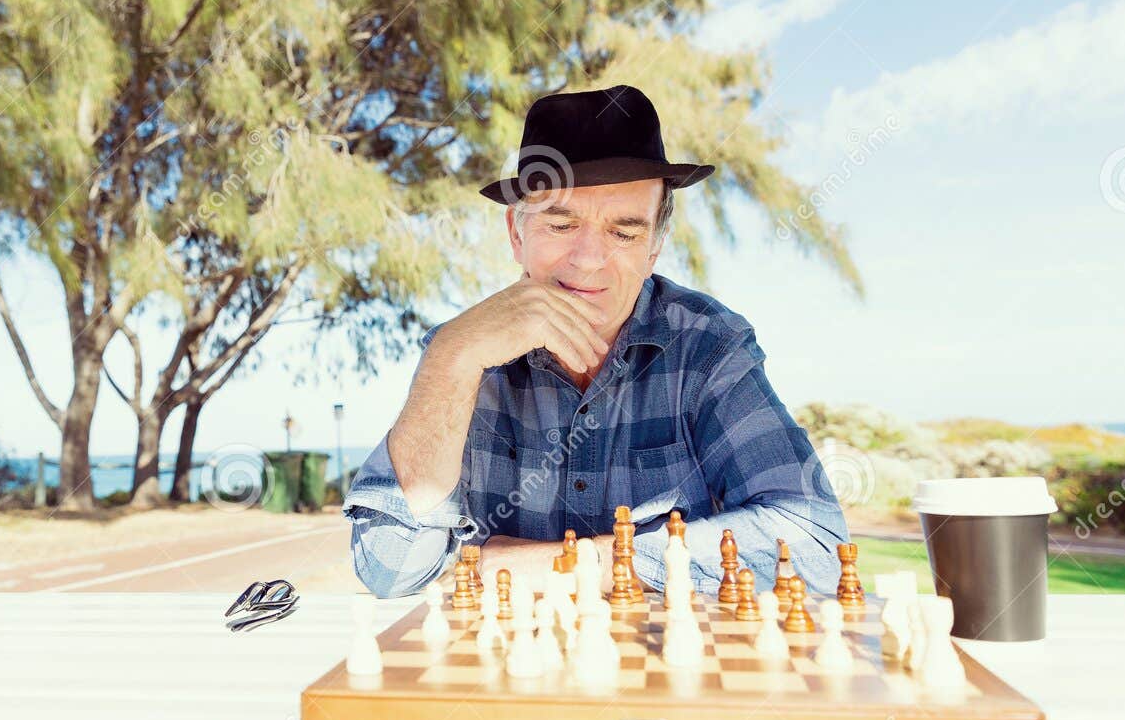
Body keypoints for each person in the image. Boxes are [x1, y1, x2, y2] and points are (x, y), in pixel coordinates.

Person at [343, 85, 847, 600]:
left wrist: (566, 566)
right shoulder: (460, 354)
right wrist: (448, 358)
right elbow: (392, 569)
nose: (588, 260)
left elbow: (815, 547)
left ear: (655, 246)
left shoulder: (708, 345)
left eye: (624, 233)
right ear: (516, 233)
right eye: (561, 224)